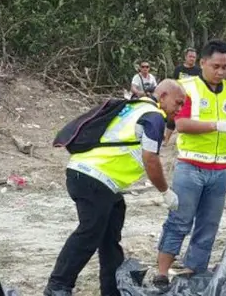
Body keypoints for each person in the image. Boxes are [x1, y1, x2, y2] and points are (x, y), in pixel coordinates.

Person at [44, 80, 186, 296]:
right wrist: (165, 191)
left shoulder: (134, 107)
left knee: (110, 238)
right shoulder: (154, 117)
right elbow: (150, 159)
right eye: (178, 102)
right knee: (89, 232)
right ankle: (58, 286)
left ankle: (112, 289)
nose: (179, 108)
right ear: (163, 95)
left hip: (96, 178)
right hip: (94, 176)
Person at [154, 39, 226, 285]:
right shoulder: (187, 88)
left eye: (225, 67)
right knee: (179, 220)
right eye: (215, 66)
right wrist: (217, 125)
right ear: (203, 63)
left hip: (220, 169)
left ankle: (194, 272)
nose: (220, 72)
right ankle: (162, 273)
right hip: (191, 166)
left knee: (208, 225)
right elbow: (181, 124)